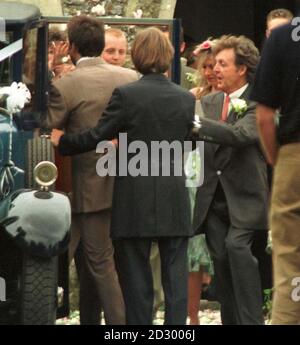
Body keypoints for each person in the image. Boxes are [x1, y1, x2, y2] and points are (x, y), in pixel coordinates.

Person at [51, 27, 195, 325]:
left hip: (134, 196)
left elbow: (97, 136)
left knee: (136, 279)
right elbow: (189, 142)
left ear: (137, 55)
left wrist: (62, 141)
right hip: (173, 193)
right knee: (175, 279)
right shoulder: (185, 98)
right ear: (169, 56)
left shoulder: (127, 95)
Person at [45, 15, 138, 325]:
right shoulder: (130, 78)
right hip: (124, 180)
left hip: (82, 186)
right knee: (98, 263)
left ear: (70, 46)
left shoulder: (66, 85)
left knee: (88, 262)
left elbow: (47, 132)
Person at [192, 35, 268, 325]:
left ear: (242, 69)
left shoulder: (259, 102)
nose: (215, 70)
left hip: (246, 197)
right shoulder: (209, 101)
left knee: (238, 250)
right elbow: (192, 141)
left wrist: (195, 122)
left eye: (223, 64)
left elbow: (241, 135)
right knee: (221, 261)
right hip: (212, 199)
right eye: (214, 64)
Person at [251, 21, 300, 325]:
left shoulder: (283, 37)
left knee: (290, 262)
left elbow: (264, 117)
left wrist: (277, 160)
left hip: (294, 155)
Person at [186, 39, 218, 325]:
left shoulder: (236, 98)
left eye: (215, 65)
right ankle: (193, 317)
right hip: (194, 169)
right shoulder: (193, 95)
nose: (210, 72)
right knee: (193, 247)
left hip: (221, 170)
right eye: (205, 66)